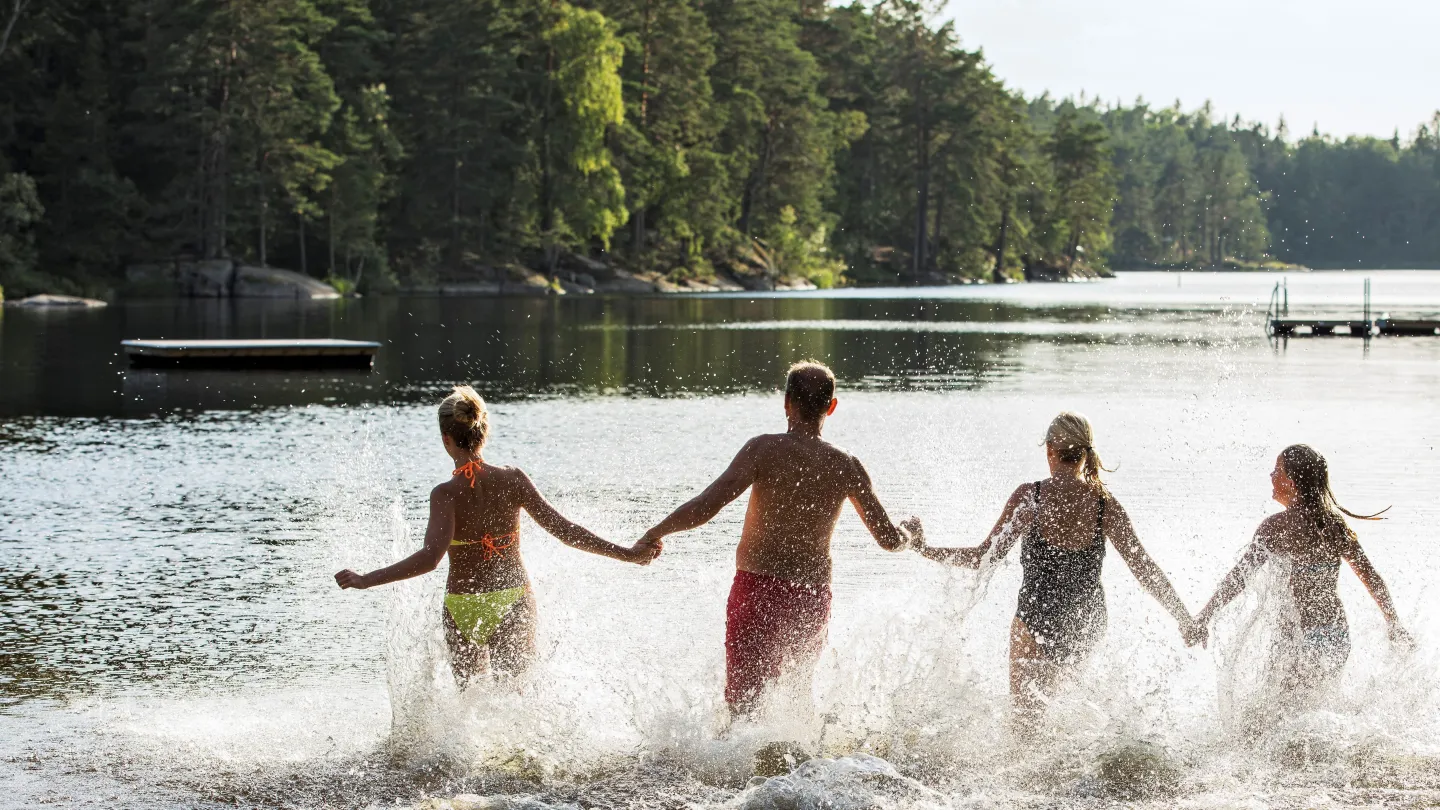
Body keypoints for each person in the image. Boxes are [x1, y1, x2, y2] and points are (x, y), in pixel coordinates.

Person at [638, 361, 918, 715]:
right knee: (795, 698)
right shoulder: (846, 465)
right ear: (831, 407)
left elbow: (708, 504)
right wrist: (912, 535)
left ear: (787, 402)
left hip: (756, 588)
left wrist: (655, 533)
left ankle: (739, 765)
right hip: (811, 596)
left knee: (743, 704)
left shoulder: (763, 449)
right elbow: (889, 540)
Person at [334, 385, 660, 679]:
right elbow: (564, 530)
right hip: (512, 599)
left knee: (471, 713)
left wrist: (367, 580)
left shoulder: (445, 494)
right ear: (484, 432)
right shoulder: (513, 479)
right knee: (513, 707)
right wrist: (628, 554)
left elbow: (429, 560)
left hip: (463, 605)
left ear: (446, 439)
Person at [908, 412, 1197, 730]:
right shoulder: (1105, 505)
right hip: (1085, 622)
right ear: (1085, 453)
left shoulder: (1030, 498)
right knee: (1067, 716)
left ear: (1049, 450)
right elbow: (1145, 569)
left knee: (1024, 722)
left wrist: (924, 548)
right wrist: (1184, 617)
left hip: (1035, 616)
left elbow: (982, 557)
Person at [1190, 444, 1411, 704]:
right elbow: (1370, 577)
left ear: (1292, 482)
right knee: (1312, 707)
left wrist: (1204, 616)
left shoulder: (1274, 528)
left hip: (1298, 636)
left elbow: (1239, 578)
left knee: (1283, 713)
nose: (1271, 476)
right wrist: (1393, 623)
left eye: (1277, 471)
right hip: (1334, 634)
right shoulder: (1334, 524)